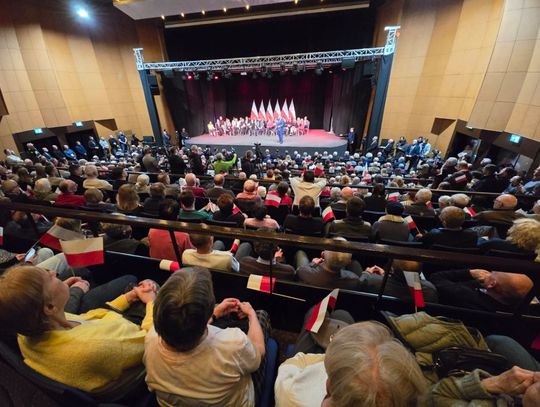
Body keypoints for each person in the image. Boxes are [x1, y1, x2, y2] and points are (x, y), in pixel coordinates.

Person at [0, 265, 156, 394]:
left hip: (120, 341)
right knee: (154, 288)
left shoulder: (29, 331)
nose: (54, 272)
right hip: (144, 354)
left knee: (135, 288)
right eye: (50, 277)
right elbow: (152, 342)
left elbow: (90, 318)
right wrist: (152, 303)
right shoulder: (96, 346)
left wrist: (126, 299)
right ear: (49, 307)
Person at [144, 267, 268, 406]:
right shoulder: (234, 344)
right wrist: (251, 314)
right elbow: (258, 352)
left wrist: (214, 314)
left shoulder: (151, 337)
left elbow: (180, 327)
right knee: (261, 315)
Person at [275, 321, 427, 407]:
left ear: (329, 387)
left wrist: (326, 359)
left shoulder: (291, 395)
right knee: (341, 316)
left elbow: (288, 366)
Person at [429, 268, 533, 312]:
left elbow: (435, 277)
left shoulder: (465, 295)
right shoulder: (520, 311)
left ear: (492, 284)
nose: (490, 272)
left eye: (493, 273)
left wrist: (470, 272)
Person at [182, 233, 252, 272]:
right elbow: (238, 270)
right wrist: (227, 254)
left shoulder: (185, 254)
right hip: (224, 280)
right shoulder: (228, 258)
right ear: (210, 240)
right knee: (245, 245)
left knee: (219, 243)